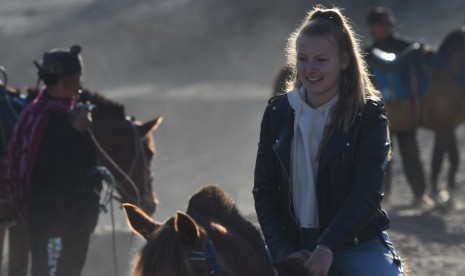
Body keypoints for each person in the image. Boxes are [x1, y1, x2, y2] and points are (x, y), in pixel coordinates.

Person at [253, 6, 403, 276]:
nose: (309, 69)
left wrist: (327, 247)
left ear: (344, 61)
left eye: (321, 60)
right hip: (290, 246)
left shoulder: (368, 115)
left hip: (355, 246)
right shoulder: (277, 113)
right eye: (302, 58)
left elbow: (366, 193)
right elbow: (265, 190)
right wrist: (282, 250)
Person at [3, 45, 102, 276]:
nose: (81, 84)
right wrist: (75, 132)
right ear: (65, 82)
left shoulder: (71, 114)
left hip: (77, 224)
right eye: (78, 78)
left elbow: (88, 162)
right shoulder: (38, 120)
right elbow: (47, 169)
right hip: (50, 223)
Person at [365, 7, 433, 208]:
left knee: (410, 151)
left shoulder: (406, 47)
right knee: (383, 156)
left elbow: (423, 75)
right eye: (380, 25)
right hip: (380, 110)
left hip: (404, 108)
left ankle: (420, 195)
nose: (383, 29)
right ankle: (384, 198)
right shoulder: (368, 54)